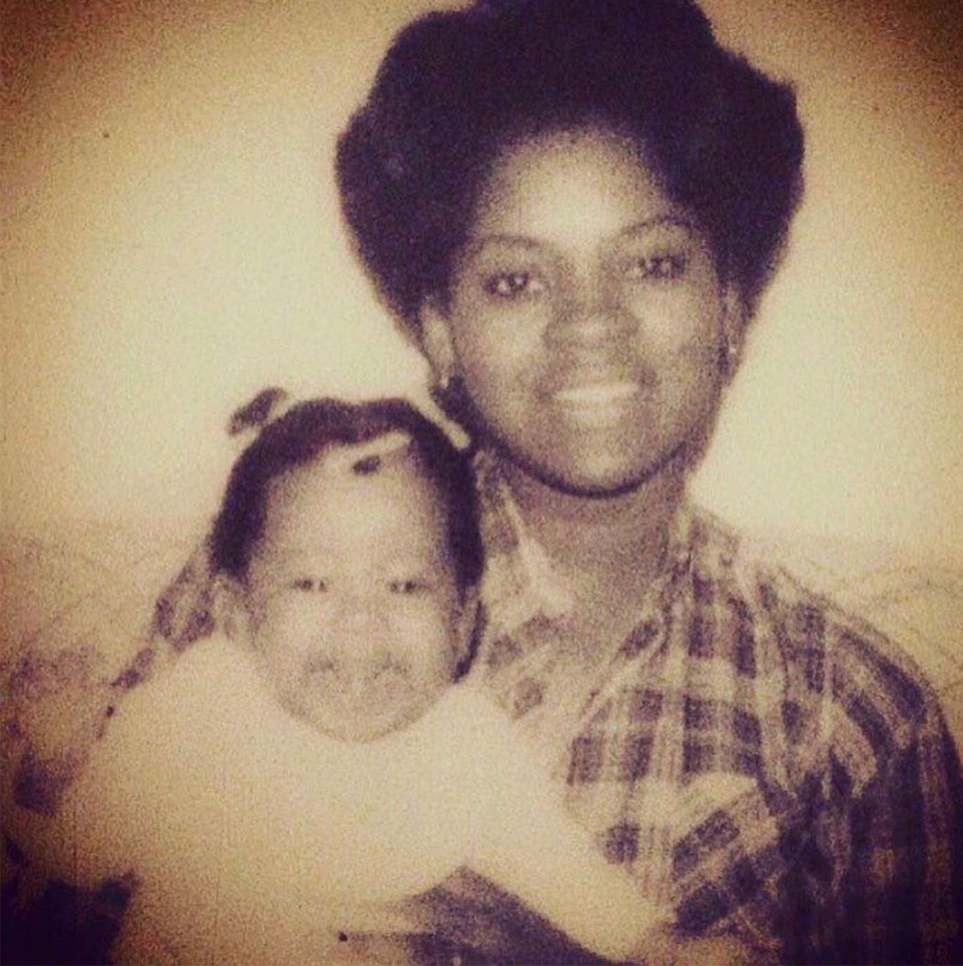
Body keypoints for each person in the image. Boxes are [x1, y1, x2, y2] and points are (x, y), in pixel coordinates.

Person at [324, 0, 963, 963]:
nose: (587, 323)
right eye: (515, 279)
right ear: (440, 332)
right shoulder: (297, 554)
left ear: (729, 303)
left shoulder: (853, 716)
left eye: (650, 264)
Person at [24, 393, 689, 965]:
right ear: (236, 614)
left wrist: (656, 945)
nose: (360, 622)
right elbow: (76, 852)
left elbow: (566, 874)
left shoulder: (468, 746)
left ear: (462, 624)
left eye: (404, 584)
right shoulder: (195, 706)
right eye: (312, 582)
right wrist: (51, 761)